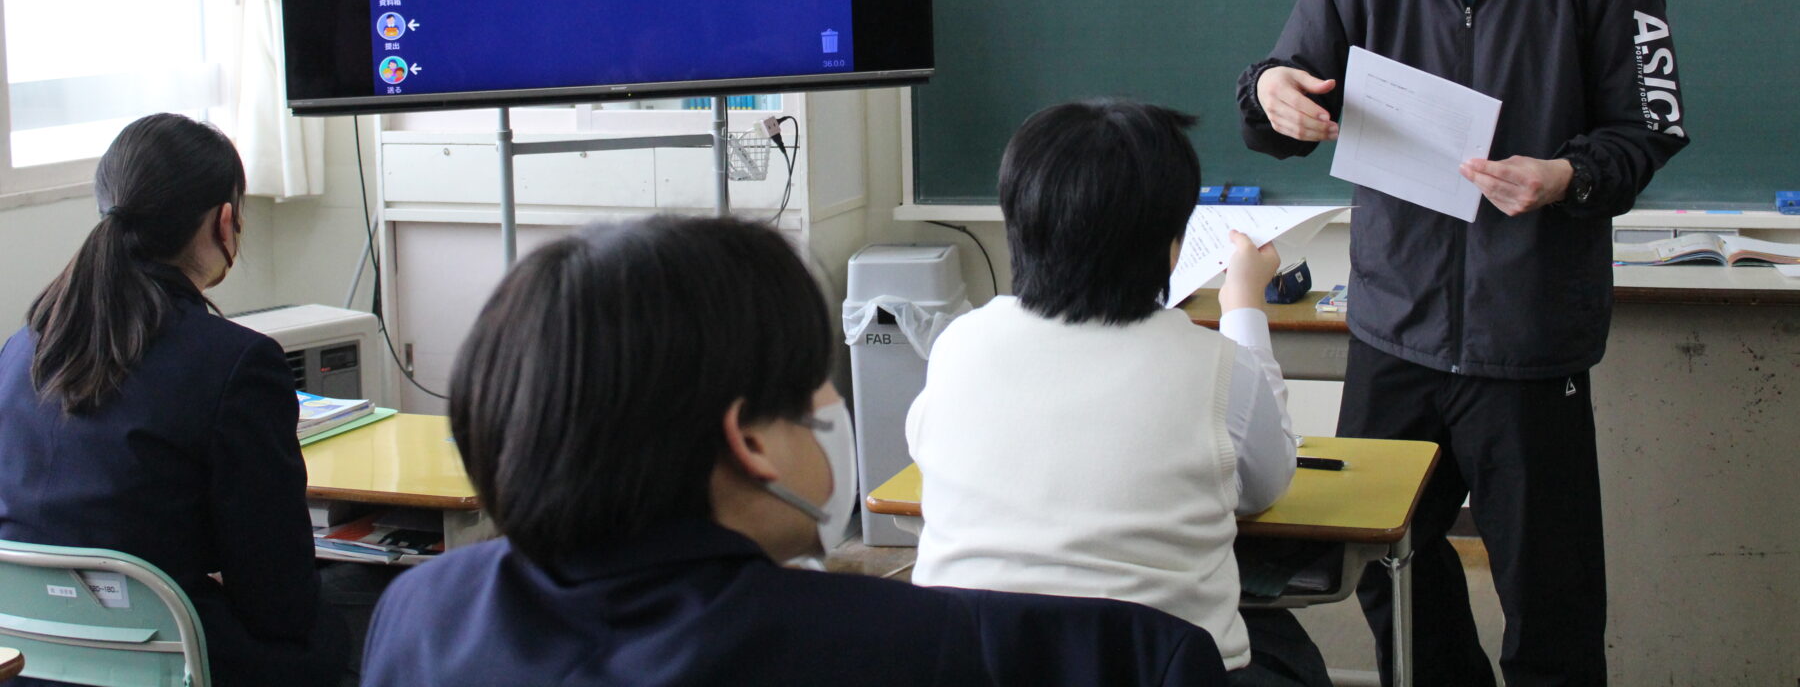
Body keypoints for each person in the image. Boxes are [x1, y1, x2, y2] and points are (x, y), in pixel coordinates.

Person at [1237, 0, 1689, 687]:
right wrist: (1274, 90)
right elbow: (1284, 92)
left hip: (1529, 338)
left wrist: (1564, 177)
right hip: (1394, 326)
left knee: (1552, 598)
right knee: (1378, 570)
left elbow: (1648, 132)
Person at [361, 215, 1229, 687]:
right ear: (750, 441)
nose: (835, 407)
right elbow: (1158, 657)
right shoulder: (927, 649)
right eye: (821, 384)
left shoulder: (421, 610)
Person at [906, 100, 1330, 687]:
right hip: (1163, 669)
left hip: (973, 666)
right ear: (1174, 244)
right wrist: (1244, 310)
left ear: (1019, 226)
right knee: (1287, 647)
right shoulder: (1215, 366)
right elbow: (1264, 486)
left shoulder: (959, 345)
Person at [0, 113, 350, 687]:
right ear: (225, 221)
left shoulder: (22, 347)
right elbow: (280, 604)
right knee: (375, 608)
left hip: (33, 662)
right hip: (178, 662)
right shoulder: (236, 362)